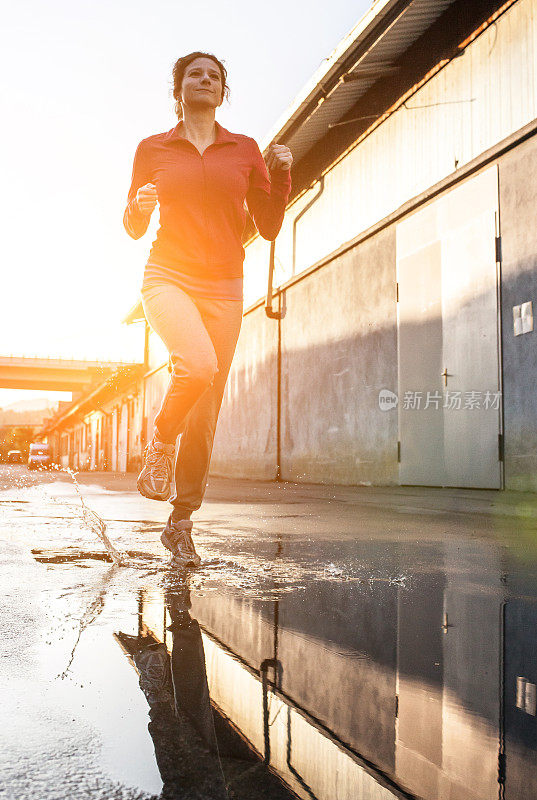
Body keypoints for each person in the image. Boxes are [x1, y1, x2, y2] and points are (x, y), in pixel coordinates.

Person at [123, 52, 292, 567]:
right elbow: (131, 226)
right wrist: (140, 207)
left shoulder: (244, 150)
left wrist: (281, 174)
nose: (204, 80)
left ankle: (181, 522)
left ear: (223, 92)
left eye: (213, 76)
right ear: (179, 89)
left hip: (224, 285)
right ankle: (159, 440)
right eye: (194, 74)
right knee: (197, 366)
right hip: (167, 275)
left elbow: (268, 224)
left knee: (207, 412)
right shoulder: (152, 148)